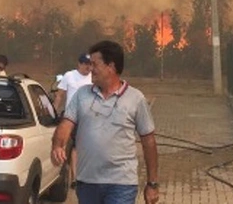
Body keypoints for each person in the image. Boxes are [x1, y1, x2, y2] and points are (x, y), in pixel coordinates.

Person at [51, 40, 160, 204]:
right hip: (87, 181)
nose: (90, 69)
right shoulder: (82, 95)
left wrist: (152, 183)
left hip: (121, 183)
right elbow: (66, 123)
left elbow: (149, 142)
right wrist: (57, 145)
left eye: (94, 64)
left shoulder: (136, 99)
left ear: (111, 66)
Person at [53, 53, 94, 185]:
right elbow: (59, 96)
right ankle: (67, 176)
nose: (88, 67)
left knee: (79, 147)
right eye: (86, 64)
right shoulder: (69, 76)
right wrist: (53, 112)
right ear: (79, 64)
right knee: (64, 144)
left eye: (90, 64)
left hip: (86, 117)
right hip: (69, 117)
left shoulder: (94, 78)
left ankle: (77, 177)